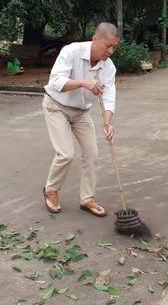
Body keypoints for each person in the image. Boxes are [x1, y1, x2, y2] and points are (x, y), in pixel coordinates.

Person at [42, 22, 119, 217]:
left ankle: (87, 199)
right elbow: (56, 82)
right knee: (66, 154)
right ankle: (50, 190)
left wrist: (107, 122)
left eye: (114, 47)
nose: (110, 51)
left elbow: (109, 97)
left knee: (92, 155)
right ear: (95, 39)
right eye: (107, 45)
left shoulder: (108, 68)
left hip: (80, 112)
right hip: (56, 105)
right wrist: (84, 83)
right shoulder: (72, 51)